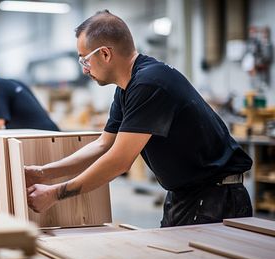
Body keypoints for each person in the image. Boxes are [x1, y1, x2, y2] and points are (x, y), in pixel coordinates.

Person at [24, 10, 253, 227]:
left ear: (105, 53)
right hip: (187, 194)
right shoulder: (127, 88)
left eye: (84, 60)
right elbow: (105, 144)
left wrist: (55, 193)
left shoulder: (149, 83)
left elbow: (119, 160)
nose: (84, 69)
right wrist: (43, 172)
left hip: (216, 197)